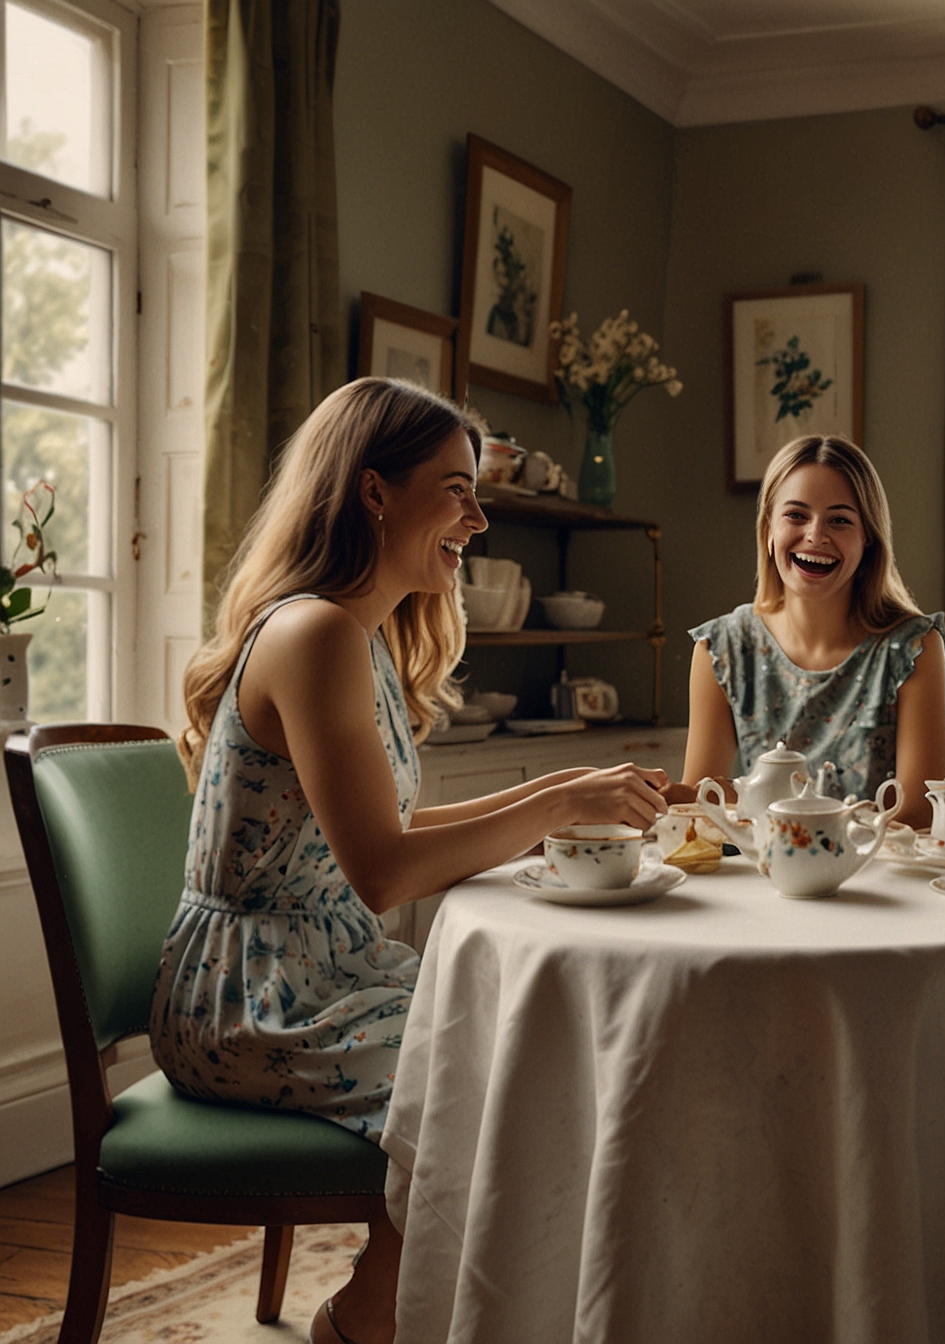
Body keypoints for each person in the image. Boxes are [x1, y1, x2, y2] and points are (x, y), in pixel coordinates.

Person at [151, 378, 669, 1344]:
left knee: (529, 1049)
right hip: (250, 999)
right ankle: (368, 1322)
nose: (477, 517)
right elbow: (384, 871)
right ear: (375, 491)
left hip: (319, 970)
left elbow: (394, 826)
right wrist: (558, 802)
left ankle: (428, 1312)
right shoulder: (313, 634)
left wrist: (567, 790)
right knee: (499, 1069)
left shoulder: (359, 637)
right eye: (457, 488)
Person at [677, 435, 945, 828]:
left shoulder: (914, 647)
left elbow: (918, 816)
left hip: (876, 879)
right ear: (768, 528)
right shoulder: (721, 648)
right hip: (761, 880)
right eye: (796, 515)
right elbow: (702, 809)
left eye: (839, 520)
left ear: (868, 537)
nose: (816, 535)